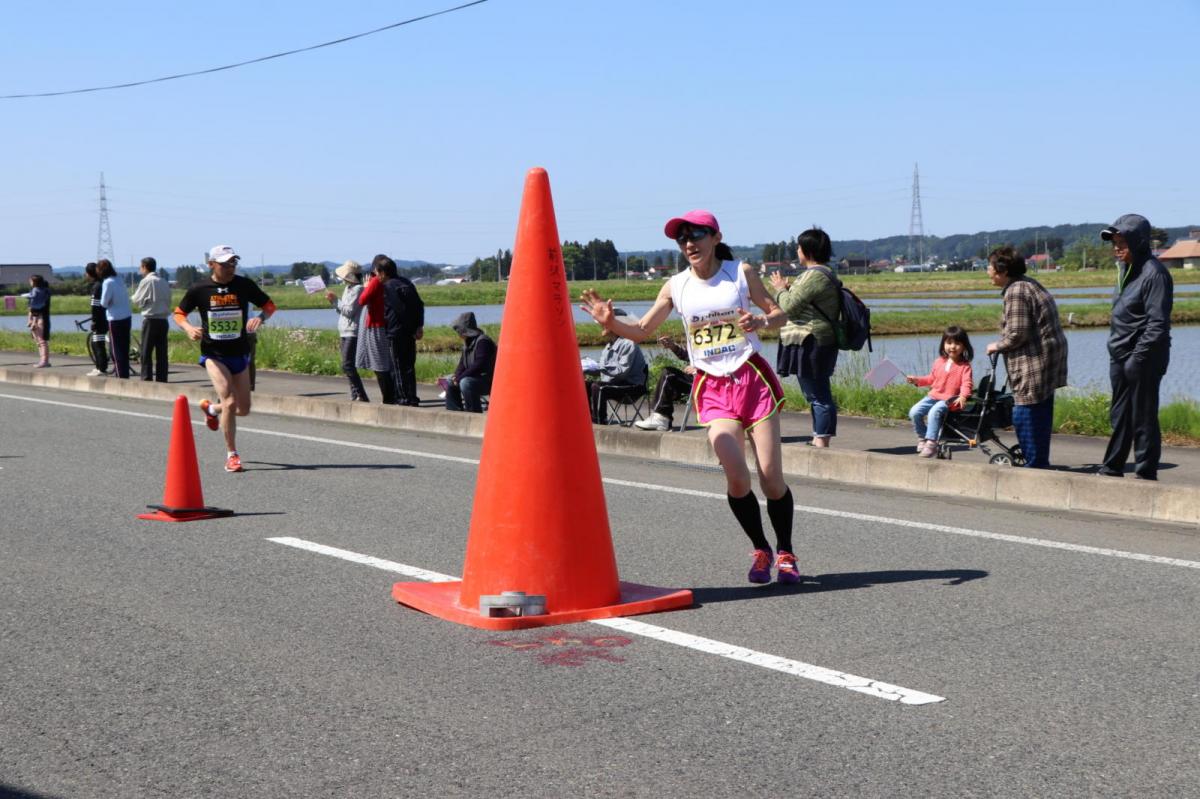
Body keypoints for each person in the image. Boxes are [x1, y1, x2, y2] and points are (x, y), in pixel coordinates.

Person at [581, 209, 799, 584]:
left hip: (751, 378)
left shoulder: (740, 273)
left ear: (715, 237)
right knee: (735, 476)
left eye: (696, 235)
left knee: (771, 480)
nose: (689, 244)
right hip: (712, 385)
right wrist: (610, 322)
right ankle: (761, 549)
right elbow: (643, 330)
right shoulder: (675, 286)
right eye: (682, 239)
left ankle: (786, 552)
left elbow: (778, 313)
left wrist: (762, 322)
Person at [173, 244, 276, 473]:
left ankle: (212, 410)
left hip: (239, 352)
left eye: (233, 263)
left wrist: (260, 318)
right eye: (225, 263)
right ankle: (232, 455)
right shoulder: (200, 288)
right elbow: (179, 313)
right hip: (213, 354)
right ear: (211, 264)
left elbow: (269, 306)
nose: (230, 267)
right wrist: (189, 328)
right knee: (230, 400)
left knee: (244, 409)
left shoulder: (243, 284)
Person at [1098, 214, 1173, 480]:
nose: (1116, 248)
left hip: (1144, 357)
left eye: (1122, 242)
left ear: (1139, 242)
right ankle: (1112, 467)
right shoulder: (1125, 271)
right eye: (1114, 242)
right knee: (1120, 415)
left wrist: (1136, 359)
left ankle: (1145, 473)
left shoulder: (1155, 274)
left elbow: (1157, 325)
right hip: (1120, 355)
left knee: (1143, 416)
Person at [984, 246, 1068, 469]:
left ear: (1002, 270)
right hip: (1046, 360)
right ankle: (1039, 462)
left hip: (1034, 362)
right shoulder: (1027, 283)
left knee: (1024, 414)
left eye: (990, 266)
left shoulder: (1016, 291)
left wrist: (996, 346)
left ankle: (1035, 466)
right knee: (1040, 411)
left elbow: (1017, 333)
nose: (987, 271)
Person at [768, 228, 841, 447]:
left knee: (817, 392)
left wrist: (780, 289)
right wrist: (790, 288)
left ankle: (821, 439)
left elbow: (789, 306)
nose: (797, 251)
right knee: (815, 392)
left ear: (807, 250)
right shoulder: (817, 274)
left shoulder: (815, 275)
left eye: (799, 248)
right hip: (810, 340)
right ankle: (819, 436)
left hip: (812, 340)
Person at [905, 326, 975, 458]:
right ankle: (923, 438)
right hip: (933, 396)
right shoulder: (939, 362)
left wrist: (963, 396)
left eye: (957, 343)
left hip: (950, 400)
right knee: (914, 412)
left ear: (964, 346)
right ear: (943, 345)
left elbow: (967, 384)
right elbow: (931, 379)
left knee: (934, 412)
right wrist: (916, 380)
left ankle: (932, 444)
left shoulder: (965, 366)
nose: (952, 347)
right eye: (949, 343)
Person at [375, 255, 425, 406]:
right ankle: (412, 397)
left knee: (397, 367)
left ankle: (403, 398)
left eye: (377, 273)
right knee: (409, 366)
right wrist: (418, 326)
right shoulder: (407, 283)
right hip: (409, 332)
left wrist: (410, 327)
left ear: (383, 273)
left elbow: (399, 309)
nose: (376, 276)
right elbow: (420, 305)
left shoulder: (389, 286)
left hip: (396, 332)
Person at [583, 308, 648, 424]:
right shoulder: (608, 346)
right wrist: (586, 369)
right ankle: (587, 418)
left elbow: (621, 372)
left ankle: (600, 420)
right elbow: (604, 371)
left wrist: (598, 367)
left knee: (599, 387)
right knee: (585, 384)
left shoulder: (629, 343)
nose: (602, 327)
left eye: (605, 324)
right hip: (616, 384)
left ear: (616, 326)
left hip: (632, 386)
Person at [325, 260, 370, 401]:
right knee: (347, 365)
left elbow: (349, 311)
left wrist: (335, 301)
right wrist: (334, 302)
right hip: (344, 330)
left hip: (352, 331)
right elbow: (343, 310)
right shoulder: (348, 288)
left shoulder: (358, 289)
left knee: (347, 365)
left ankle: (361, 395)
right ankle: (355, 395)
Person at [355, 262, 397, 404]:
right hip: (381, 324)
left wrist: (366, 287)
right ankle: (390, 397)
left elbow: (362, 300)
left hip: (375, 325)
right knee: (382, 363)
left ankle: (388, 398)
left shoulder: (374, 282)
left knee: (379, 364)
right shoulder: (386, 283)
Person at [633, 336, 695, 431]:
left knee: (669, 375)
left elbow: (722, 362)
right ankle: (661, 417)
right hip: (694, 377)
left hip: (707, 379)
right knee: (668, 373)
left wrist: (699, 368)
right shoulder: (699, 336)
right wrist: (672, 346)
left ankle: (662, 418)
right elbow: (687, 356)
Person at [444, 311, 496, 413]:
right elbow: (462, 363)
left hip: (487, 380)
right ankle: (455, 411)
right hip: (474, 377)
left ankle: (473, 412)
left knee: (465, 382)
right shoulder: (467, 343)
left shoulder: (483, 342)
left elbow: (479, 364)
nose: (458, 333)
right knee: (449, 380)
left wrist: (460, 378)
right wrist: (456, 376)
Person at [131, 256, 171, 382]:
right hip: (163, 320)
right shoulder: (163, 281)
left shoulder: (147, 281)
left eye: (140, 267)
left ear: (144, 267)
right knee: (162, 352)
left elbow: (137, 299)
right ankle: (162, 378)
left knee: (146, 351)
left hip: (150, 319)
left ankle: (146, 378)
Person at [97, 259, 132, 379]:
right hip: (127, 316)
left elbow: (104, 302)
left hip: (115, 318)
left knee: (116, 350)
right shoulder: (119, 279)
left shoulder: (107, 282)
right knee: (124, 347)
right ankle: (125, 373)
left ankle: (120, 376)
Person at [84, 263, 110, 375]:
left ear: (90, 274)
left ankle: (101, 368)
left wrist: (94, 321)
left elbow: (95, 307)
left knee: (98, 344)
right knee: (98, 343)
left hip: (100, 320)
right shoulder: (102, 283)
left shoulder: (96, 286)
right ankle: (100, 367)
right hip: (105, 318)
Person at [26, 274, 51, 368]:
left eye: (31, 281)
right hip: (41, 318)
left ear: (35, 282)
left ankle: (44, 361)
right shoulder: (43, 291)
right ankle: (44, 360)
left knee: (41, 341)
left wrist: (33, 321)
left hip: (40, 319)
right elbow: (32, 308)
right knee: (39, 341)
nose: (30, 282)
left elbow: (36, 308)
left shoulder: (38, 292)